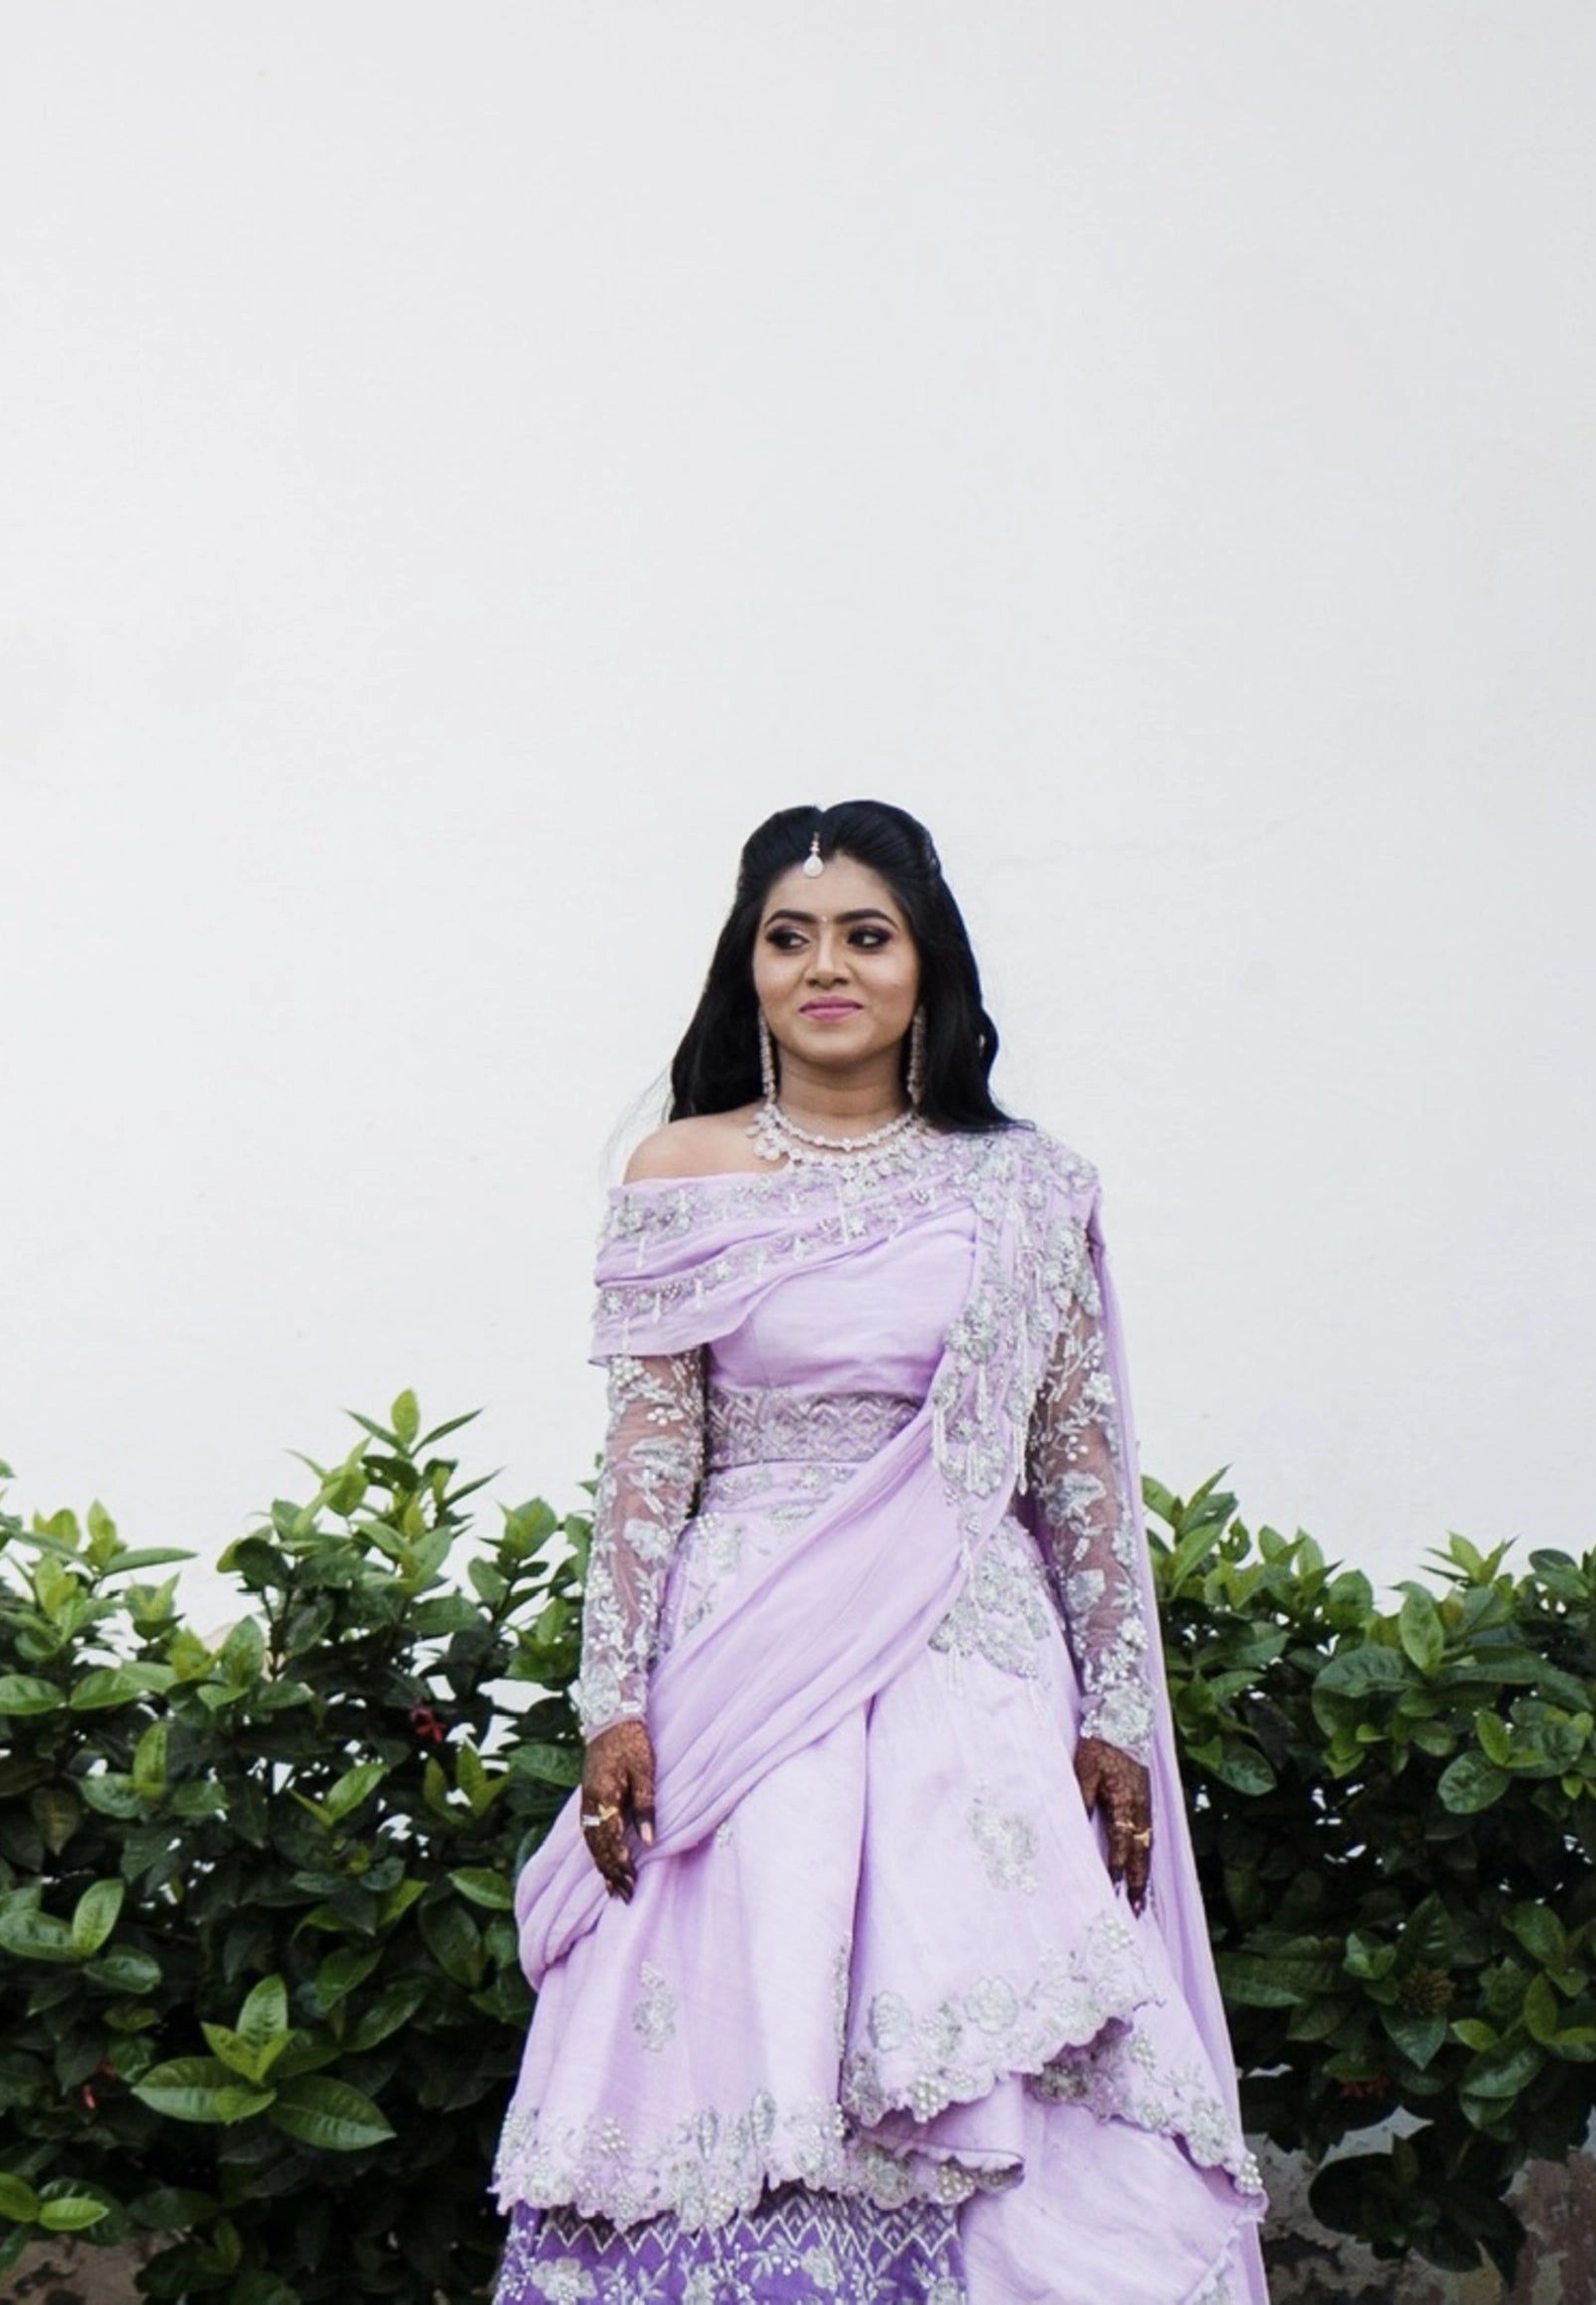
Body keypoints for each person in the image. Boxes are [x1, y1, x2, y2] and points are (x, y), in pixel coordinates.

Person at [488, 803, 1263, 2303]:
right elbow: (649, 1462)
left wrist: (1113, 1710)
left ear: (925, 966)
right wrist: (614, 1703)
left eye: (865, 933)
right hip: (748, 1666)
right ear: (749, 968)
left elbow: (1075, 1470)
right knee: (743, 2032)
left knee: (997, 2060)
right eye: (790, 937)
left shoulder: (1025, 1188)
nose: (824, 966)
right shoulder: (679, 1171)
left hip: (967, 1670)